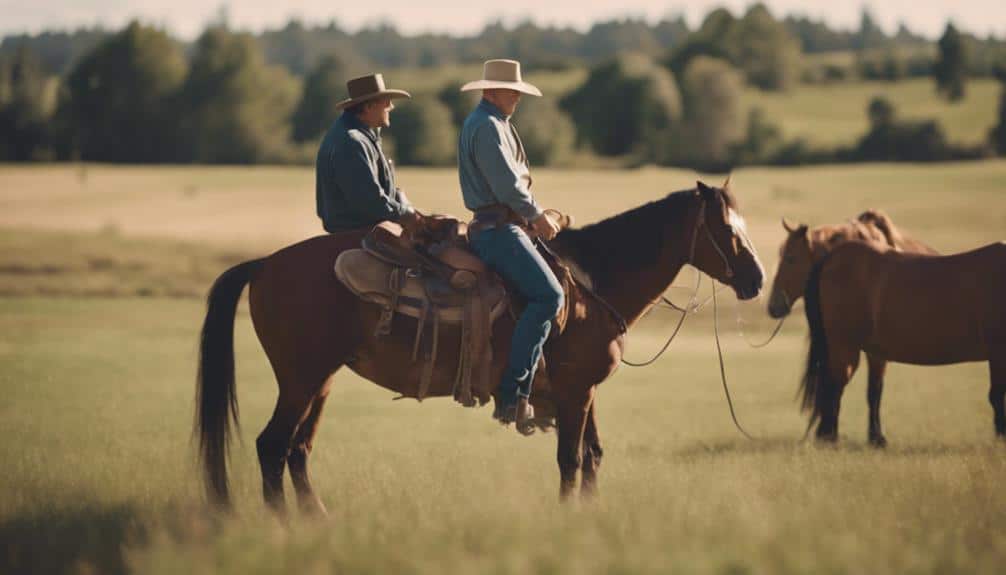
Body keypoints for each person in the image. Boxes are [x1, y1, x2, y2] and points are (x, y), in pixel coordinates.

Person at [457, 59, 564, 431]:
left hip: (504, 226)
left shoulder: (496, 123)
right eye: (511, 91)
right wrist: (537, 216)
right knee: (550, 297)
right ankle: (513, 394)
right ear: (490, 91)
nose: (517, 97)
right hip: (498, 231)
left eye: (519, 91)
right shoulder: (487, 126)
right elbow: (507, 185)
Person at [316, 73, 421, 233]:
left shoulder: (355, 136)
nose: (391, 106)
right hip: (358, 232)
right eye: (386, 102)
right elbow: (371, 202)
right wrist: (407, 213)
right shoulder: (352, 141)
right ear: (368, 107)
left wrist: (399, 201)